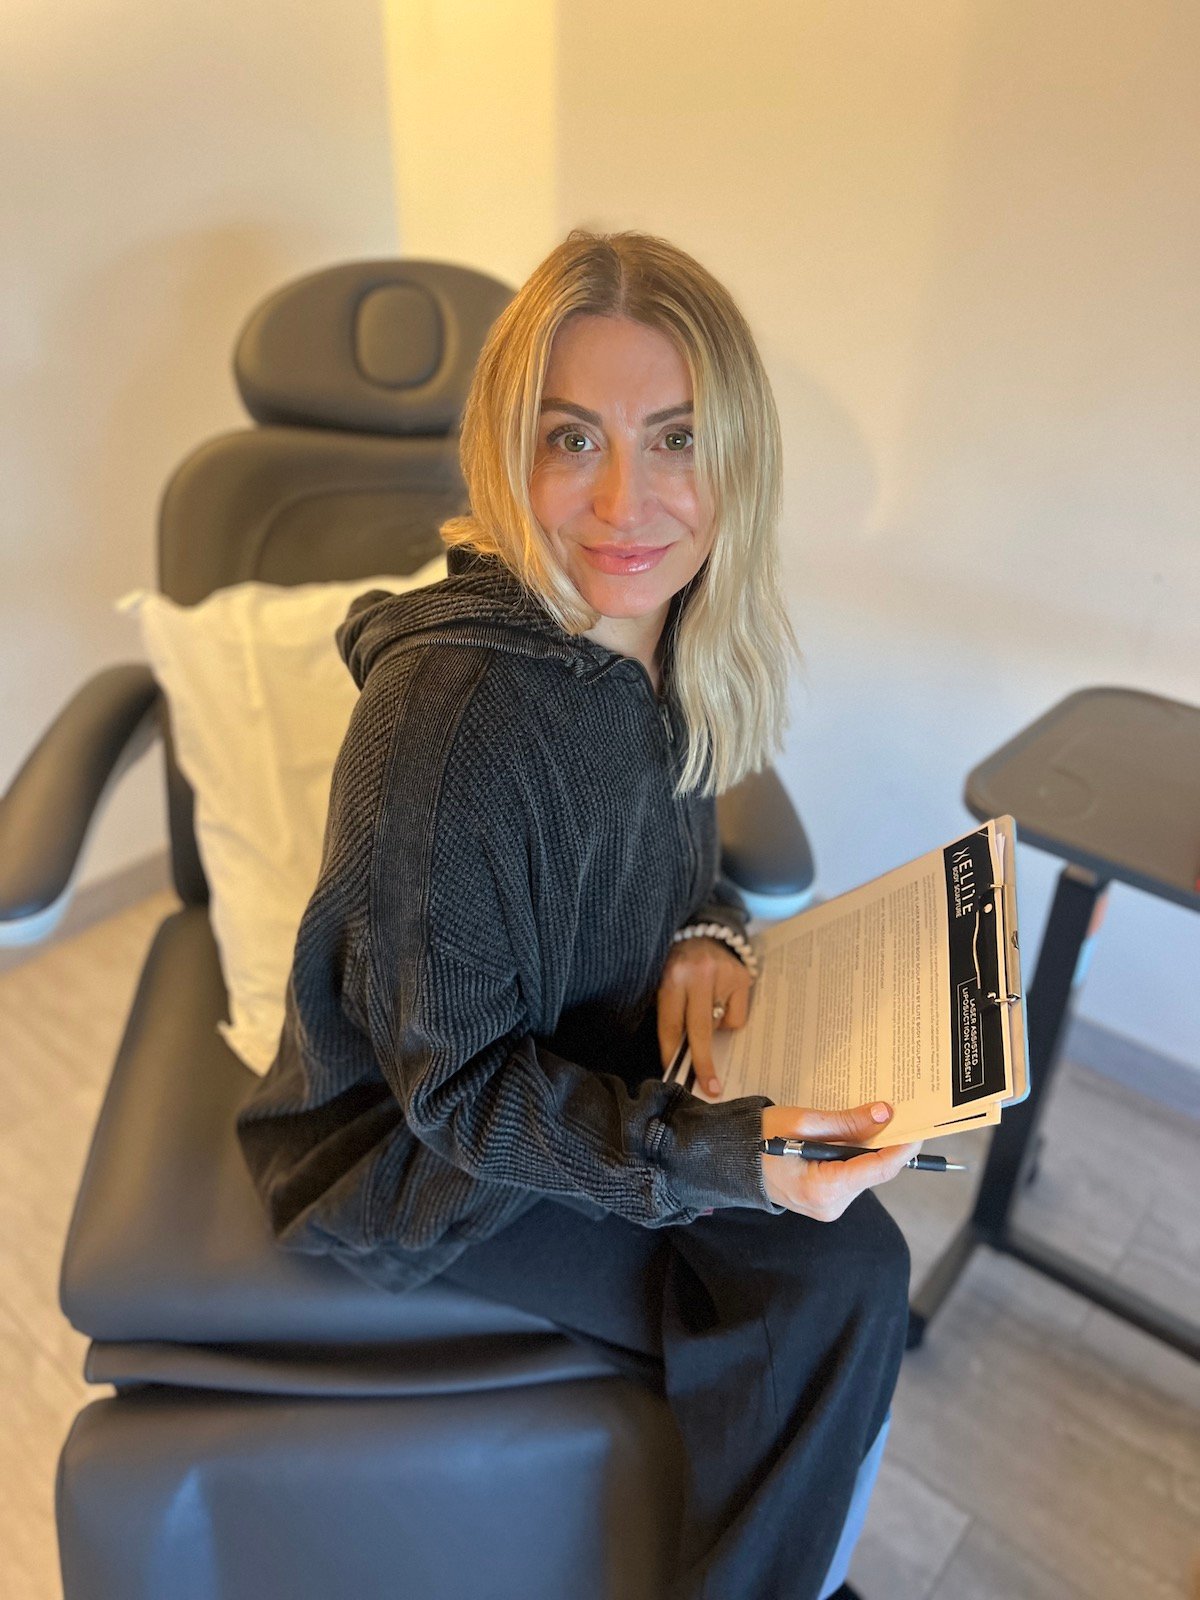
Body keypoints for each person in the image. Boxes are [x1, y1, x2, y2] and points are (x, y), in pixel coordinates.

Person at [236, 228, 920, 1600]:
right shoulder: (449, 724)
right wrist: (733, 1162)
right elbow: (463, 1098)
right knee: (834, 1276)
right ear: (508, 452)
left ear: (738, 459)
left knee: (840, 1263)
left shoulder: (657, 629)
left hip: (587, 1056)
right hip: (424, 1172)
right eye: (572, 439)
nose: (627, 500)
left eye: (675, 438)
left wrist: (709, 936)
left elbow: (664, 863)